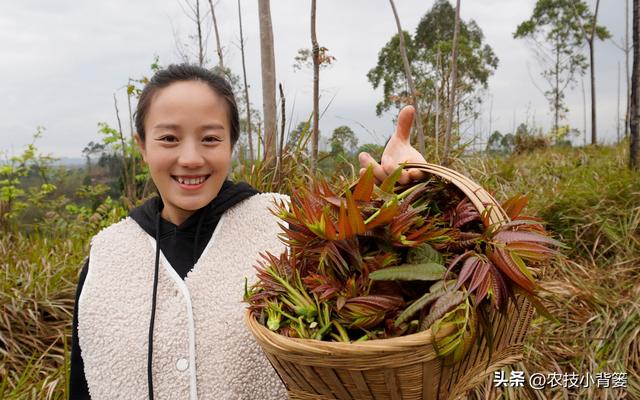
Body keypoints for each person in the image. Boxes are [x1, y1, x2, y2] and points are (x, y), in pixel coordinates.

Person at [69, 63, 427, 399]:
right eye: (168, 139)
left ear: (231, 144)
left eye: (210, 138)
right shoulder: (107, 257)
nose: (191, 157)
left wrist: (403, 192)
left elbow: (390, 282)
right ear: (142, 146)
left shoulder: (287, 225)